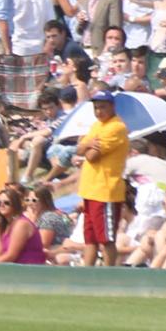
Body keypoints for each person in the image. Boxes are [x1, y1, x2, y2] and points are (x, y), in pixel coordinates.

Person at [72, 99, 131, 266]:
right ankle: (88, 274)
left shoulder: (116, 127)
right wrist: (87, 144)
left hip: (105, 191)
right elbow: (79, 150)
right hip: (90, 191)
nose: (98, 111)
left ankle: (109, 273)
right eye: (96, 107)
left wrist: (85, 146)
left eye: (103, 107)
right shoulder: (97, 126)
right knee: (90, 239)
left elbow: (91, 156)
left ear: (112, 106)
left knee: (106, 239)